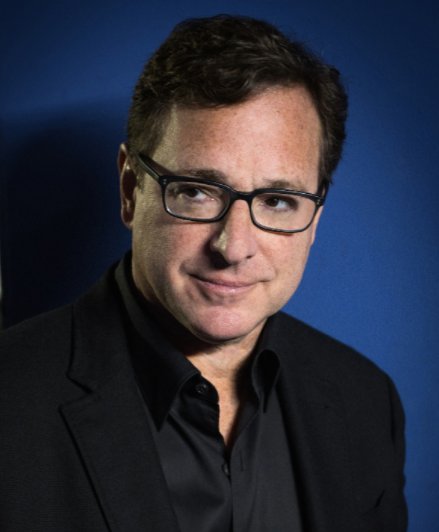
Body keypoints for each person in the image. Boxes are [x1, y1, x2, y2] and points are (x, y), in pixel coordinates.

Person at [0, 14, 407, 532]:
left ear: (315, 219)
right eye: (196, 191)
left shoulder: (367, 402)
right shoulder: (10, 403)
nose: (233, 247)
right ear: (130, 190)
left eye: (278, 200)